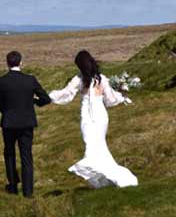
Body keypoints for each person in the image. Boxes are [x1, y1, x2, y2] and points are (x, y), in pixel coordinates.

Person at [48, 49, 138, 188]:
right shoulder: (102, 79)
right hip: (101, 115)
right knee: (98, 146)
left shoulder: (79, 79)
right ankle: (105, 179)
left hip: (89, 117)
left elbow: (66, 94)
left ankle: (102, 174)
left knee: (92, 146)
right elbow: (111, 98)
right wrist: (121, 97)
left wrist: (49, 96)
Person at [0, 50, 51, 197]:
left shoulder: (1, 81)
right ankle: (28, 192)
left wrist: (7, 112)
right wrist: (34, 102)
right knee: (26, 156)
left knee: (9, 154)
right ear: (21, 62)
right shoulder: (30, 80)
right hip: (27, 123)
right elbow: (46, 98)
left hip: (8, 123)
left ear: (7, 63)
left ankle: (13, 187)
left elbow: (0, 103)